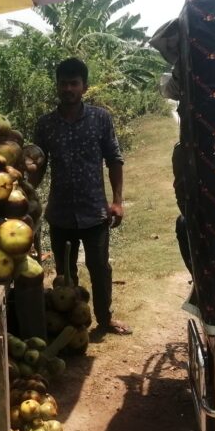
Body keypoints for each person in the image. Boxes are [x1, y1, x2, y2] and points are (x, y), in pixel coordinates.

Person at [33, 58, 131, 336]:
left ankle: (104, 319)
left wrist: (117, 202)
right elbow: (37, 165)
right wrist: (25, 196)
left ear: (84, 87)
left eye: (74, 83)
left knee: (99, 268)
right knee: (65, 275)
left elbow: (114, 159)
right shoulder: (45, 125)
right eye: (63, 83)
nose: (68, 89)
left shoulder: (100, 119)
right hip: (60, 213)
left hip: (94, 211)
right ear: (57, 86)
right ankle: (71, 325)